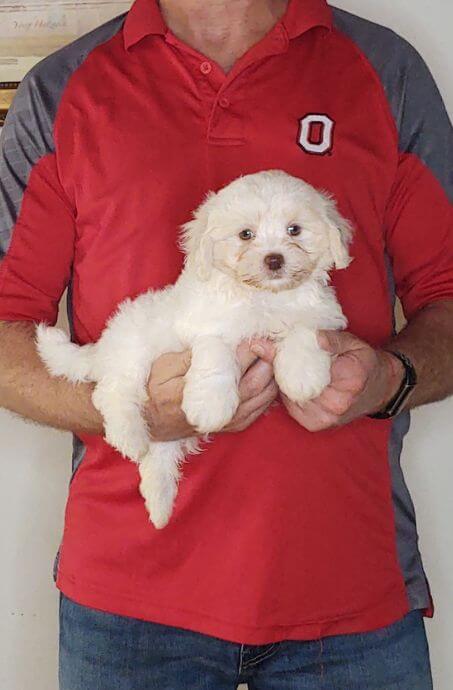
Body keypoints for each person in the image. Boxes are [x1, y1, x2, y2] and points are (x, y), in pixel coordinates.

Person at [0, 0, 452, 687]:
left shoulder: (383, 70)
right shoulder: (64, 87)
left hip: (351, 595)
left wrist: (389, 378)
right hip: (128, 601)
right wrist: (124, 410)